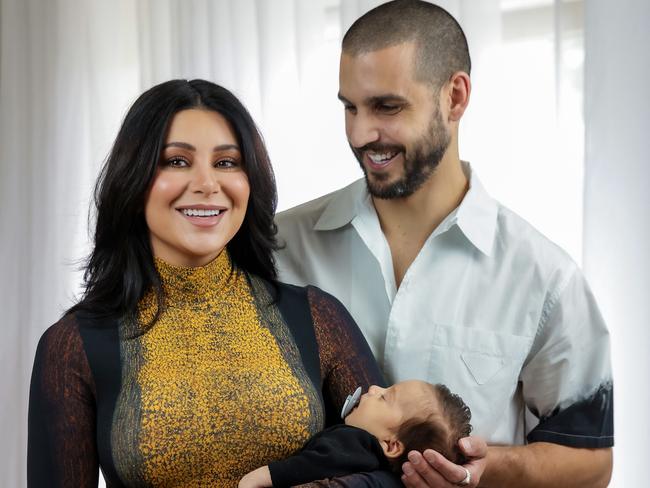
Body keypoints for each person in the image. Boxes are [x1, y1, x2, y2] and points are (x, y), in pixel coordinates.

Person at [274, 1, 614, 487]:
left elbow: (592, 463)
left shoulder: (545, 279)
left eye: (386, 107)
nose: (360, 133)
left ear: (454, 97)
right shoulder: (280, 247)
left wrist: (487, 468)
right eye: (350, 107)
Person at [27, 79, 387, 487]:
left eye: (227, 162)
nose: (207, 184)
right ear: (134, 178)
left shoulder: (317, 316)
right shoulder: (72, 345)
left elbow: (392, 458)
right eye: (176, 161)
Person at [240, 381, 472, 488]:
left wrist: (261, 477)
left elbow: (313, 464)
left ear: (390, 445)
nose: (373, 388)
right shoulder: (376, 469)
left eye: (384, 397)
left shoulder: (352, 444)